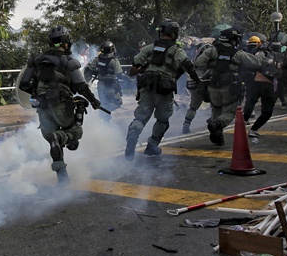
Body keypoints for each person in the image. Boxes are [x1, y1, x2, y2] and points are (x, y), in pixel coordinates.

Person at [18, 26, 101, 184]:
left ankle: (61, 174)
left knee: (52, 139)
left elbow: (24, 85)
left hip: (42, 107)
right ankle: (62, 137)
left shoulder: (36, 61)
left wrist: (37, 93)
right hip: (61, 106)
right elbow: (81, 86)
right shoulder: (68, 61)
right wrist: (93, 101)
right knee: (76, 132)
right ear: (66, 43)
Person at [125, 20, 201, 160]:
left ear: (161, 33)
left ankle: (133, 134)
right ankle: (151, 146)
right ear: (174, 34)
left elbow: (136, 62)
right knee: (162, 120)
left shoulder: (150, 47)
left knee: (141, 117)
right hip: (164, 90)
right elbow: (186, 64)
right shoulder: (176, 50)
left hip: (147, 86)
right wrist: (196, 79)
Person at [194, 27, 263, 146]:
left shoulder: (212, 50)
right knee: (230, 113)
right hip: (229, 88)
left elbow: (198, 63)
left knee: (216, 110)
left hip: (213, 87)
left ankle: (218, 135)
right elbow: (256, 63)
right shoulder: (237, 53)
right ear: (234, 39)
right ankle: (216, 125)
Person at [242, 42, 282, 138]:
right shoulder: (277, 57)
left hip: (256, 84)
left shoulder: (260, 55)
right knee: (266, 112)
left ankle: (243, 125)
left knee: (250, 104)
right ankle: (253, 129)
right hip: (267, 86)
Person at [83, 41, 123, 120]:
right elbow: (119, 73)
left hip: (101, 85)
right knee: (117, 102)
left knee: (104, 102)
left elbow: (88, 69)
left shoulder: (97, 59)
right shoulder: (114, 61)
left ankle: (106, 121)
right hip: (111, 86)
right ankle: (105, 112)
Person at [182, 40, 212, 134]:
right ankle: (214, 122)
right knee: (216, 104)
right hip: (206, 82)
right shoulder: (209, 55)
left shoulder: (195, 58)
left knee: (193, 106)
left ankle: (186, 126)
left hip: (195, 82)